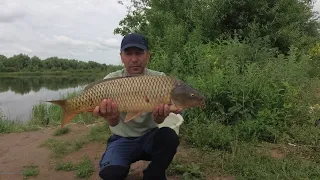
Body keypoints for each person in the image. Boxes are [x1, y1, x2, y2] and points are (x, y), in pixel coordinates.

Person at [94, 33, 183, 180]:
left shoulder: (160, 79)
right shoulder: (110, 81)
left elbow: (159, 121)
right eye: (128, 54)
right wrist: (111, 117)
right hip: (121, 139)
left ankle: (153, 174)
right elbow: (113, 123)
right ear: (121, 56)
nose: (134, 59)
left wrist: (159, 117)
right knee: (111, 174)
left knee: (169, 137)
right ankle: (120, 162)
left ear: (148, 55)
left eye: (139, 53)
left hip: (150, 137)